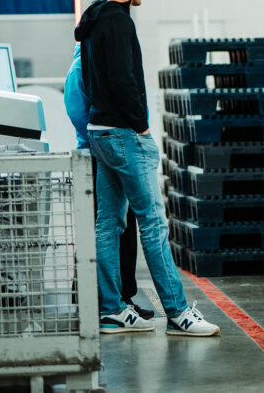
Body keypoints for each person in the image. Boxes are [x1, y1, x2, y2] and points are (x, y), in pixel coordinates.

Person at [74, 0, 219, 337]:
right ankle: (177, 312)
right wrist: (140, 126)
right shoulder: (119, 23)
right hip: (124, 134)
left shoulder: (93, 22)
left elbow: (88, 82)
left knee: (108, 224)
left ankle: (111, 310)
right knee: (153, 224)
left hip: (100, 131)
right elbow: (124, 81)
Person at [63, 38, 154, 320]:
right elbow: (79, 113)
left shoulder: (95, 63)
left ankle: (120, 297)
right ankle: (97, 301)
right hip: (97, 154)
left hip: (111, 151)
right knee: (103, 229)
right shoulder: (83, 67)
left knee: (122, 230)